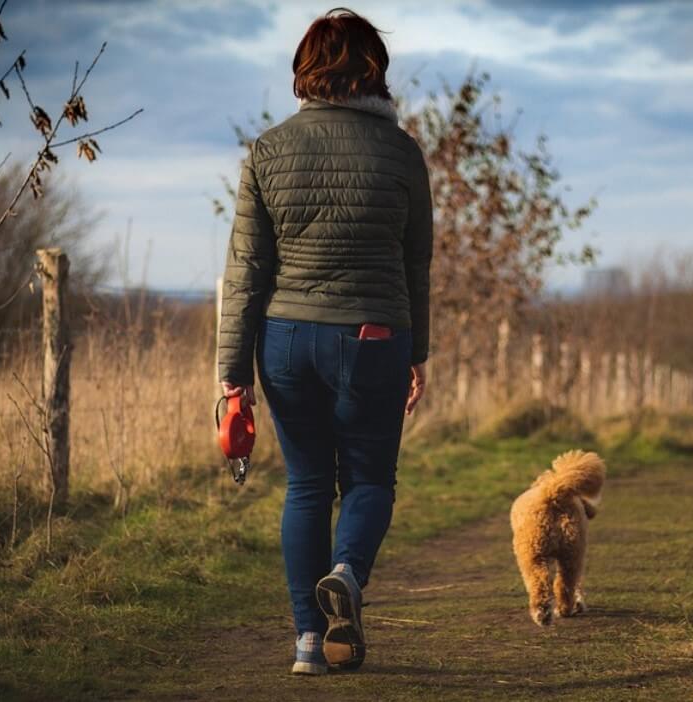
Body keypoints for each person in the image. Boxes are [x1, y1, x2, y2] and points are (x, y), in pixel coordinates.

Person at [217, 7, 432, 676]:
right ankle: (346, 572)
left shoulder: (269, 150)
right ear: (375, 73)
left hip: (284, 341)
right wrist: (417, 350)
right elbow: (415, 261)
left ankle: (310, 642)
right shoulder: (401, 152)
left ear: (306, 72)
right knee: (369, 478)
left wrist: (232, 371)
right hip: (372, 336)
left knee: (306, 485)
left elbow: (245, 268)